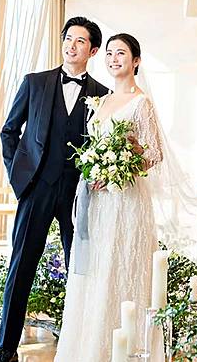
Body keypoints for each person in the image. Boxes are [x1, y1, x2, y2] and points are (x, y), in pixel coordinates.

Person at [0, 17, 109, 362]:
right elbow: (9, 131)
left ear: (92, 51)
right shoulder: (35, 83)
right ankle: (6, 349)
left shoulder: (103, 96)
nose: (71, 46)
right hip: (37, 189)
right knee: (21, 267)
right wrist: (20, 179)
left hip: (79, 194)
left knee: (80, 269)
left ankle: (81, 346)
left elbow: (104, 145)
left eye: (80, 41)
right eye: (68, 39)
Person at [54, 33, 164, 361]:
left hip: (125, 200)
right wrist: (95, 168)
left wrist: (117, 173)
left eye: (122, 54)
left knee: (121, 265)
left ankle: (126, 348)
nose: (114, 59)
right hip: (98, 201)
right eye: (110, 53)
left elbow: (154, 153)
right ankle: (91, 347)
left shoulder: (141, 102)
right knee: (98, 269)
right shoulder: (101, 101)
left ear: (136, 61)